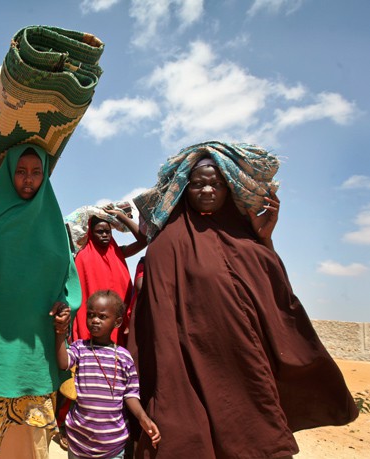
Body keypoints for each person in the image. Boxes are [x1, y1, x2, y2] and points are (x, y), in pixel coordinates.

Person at [129, 142, 359, 458]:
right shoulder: (166, 246)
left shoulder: (245, 238)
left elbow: (274, 291)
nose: (207, 190)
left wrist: (266, 238)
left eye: (216, 183)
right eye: (197, 184)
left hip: (243, 366)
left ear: (228, 188)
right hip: (186, 369)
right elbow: (158, 319)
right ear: (184, 189)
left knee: (254, 439)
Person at [0, 100, 81, 458]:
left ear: (46, 174)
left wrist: (64, 308)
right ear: (9, 171)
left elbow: (66, 281)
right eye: (21, 170)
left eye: (36, 171)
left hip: (34, 346)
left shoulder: (54, 221)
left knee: (28, 447)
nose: (27, 179)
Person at [55, 290, 160, 459]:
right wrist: (60, 333)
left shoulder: (124, 357)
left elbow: (130, 394)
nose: (95, 320)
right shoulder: (80, 348)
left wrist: (143, 418)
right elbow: (63, 363)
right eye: (91, 315)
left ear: (117, 322)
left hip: (112, 445)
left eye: (102, 317)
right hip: (78, 440)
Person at [72, 204, 146, 346]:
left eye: (108, 231)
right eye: (100, 231)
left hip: (118, 322)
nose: (105, 235)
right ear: (90, 233)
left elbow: (144, 240)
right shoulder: (81, 256)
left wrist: (121, 217)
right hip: (93, 323)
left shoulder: (118, 252)